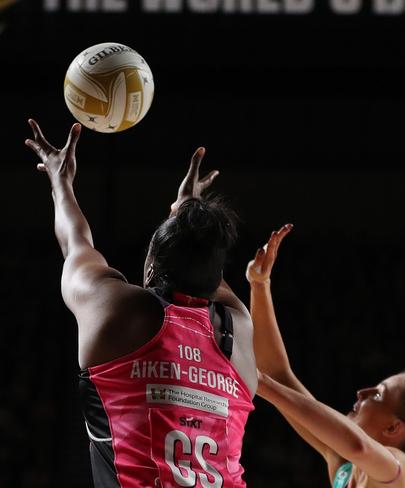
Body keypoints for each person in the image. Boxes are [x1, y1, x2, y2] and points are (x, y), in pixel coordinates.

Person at [25, 119, 256, 488]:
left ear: (150, 266)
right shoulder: (238, 331)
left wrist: (60, 181)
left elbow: (76, 245)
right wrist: (185, 212)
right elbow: (204, 270)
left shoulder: (118, 312)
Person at [246, 225, 405, 488]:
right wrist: (260, 285)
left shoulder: (399, 469)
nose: (362, 392)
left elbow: (359, 446)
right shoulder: (344, 464)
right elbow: (277, 373)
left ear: (394, 428)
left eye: (379, 394)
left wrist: (261, 384)